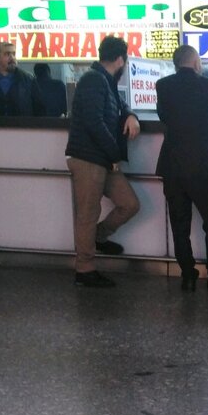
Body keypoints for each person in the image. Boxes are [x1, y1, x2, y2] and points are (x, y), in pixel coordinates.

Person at [155, 44, 208, 290]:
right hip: (203, 166)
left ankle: (188, 275)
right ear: (196, 62)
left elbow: (163, 116)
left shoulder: (163, 86)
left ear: (176, 64)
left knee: (179, 225)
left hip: (173, 166)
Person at [65, 36, 141, 288]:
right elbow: (94, 123)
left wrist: (130, 115)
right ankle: (84, 270)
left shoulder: (105, 81)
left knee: (129, 204)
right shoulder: (93, 80)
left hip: (102, 159)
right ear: (120, 60)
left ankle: (98, 237)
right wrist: (114, 155)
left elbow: (120, 106)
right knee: (88, 214)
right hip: (88, 158)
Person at [0, 41, 46, 117]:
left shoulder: (28, 79)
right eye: (7, 54)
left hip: (21, 124)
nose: (12, 58)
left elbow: (39, 109)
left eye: (13, 54)